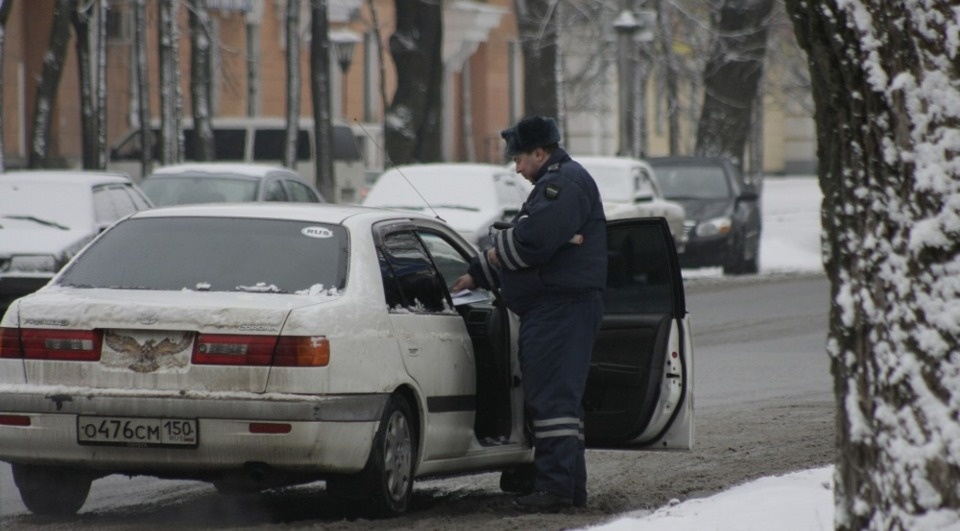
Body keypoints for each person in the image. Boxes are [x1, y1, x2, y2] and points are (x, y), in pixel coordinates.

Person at [451, 116, 607, 512]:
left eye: (520, 158)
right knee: (560, 404)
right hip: (556, 309)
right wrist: (479, 271)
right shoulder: (554, 184)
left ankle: (554, 489)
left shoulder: (562, 184)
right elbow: (528, 244)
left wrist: (494, 248)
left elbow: (531, 244)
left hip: (559, 310)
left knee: (552, 401)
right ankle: (569, 490)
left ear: (541, 152)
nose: (516, 168)